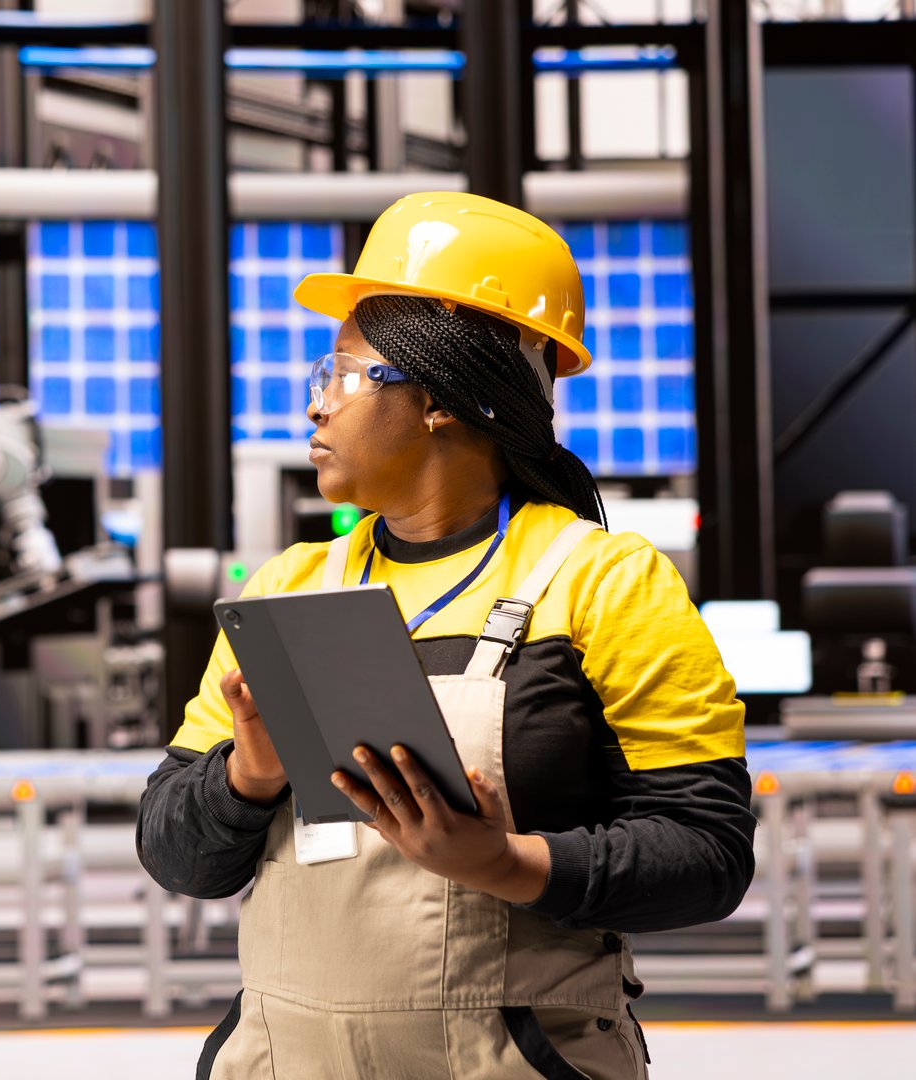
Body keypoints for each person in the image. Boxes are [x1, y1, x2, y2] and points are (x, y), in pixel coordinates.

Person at [136, 192, 754, 1079]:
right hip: (285, 1059)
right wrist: (248, 775)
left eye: (342, 375)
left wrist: (505, 863)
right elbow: (176, 855)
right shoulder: (289, 589)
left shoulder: (600, 582)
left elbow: (705, 853)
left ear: (439, 398)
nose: (317, 408)